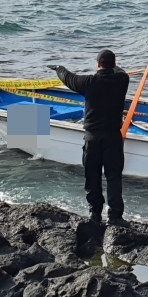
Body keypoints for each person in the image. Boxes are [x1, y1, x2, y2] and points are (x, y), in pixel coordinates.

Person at [51, 50, 130, 225]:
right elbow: (120, 71)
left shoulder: (89, 82)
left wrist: (58, 68)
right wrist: (111, 66)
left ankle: (95, 214)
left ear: (97, 64)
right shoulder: (122, 80)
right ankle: (115, 216)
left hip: (92, 138)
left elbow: (68, 78)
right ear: (113, 64)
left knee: (92, 176)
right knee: (114, 177)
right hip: (113, 138)